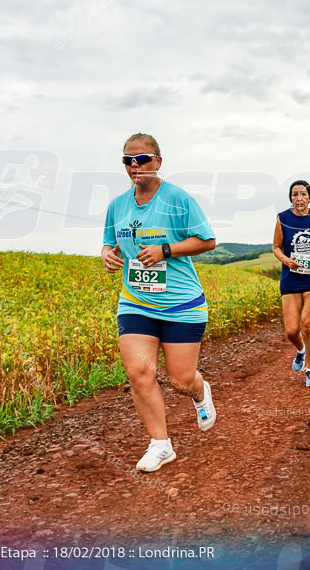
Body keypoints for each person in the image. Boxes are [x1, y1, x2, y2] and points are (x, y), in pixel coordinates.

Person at [101, 133, 217, 472]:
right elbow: (109, 244)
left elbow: (208, 240)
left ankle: (199, 392)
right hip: (135, 303)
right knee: (139, 372)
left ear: (159, 162)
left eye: (143, 159)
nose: (135, 166)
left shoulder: (178, 200)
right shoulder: (117, 206)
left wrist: (165, 249)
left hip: (181, 303)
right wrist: (108, 255)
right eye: (128, 160)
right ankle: (160, 444)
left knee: (180, 379)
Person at [273, 180, 310, 387]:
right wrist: (286, 260)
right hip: (291, 277)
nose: (299, 198)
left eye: (303, 194)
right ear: (290, 197)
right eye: (295, 194)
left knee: (308, 324)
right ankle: (300, 350)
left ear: (309, 197)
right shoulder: (283, 218)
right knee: (291, 331)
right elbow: (276, 247)